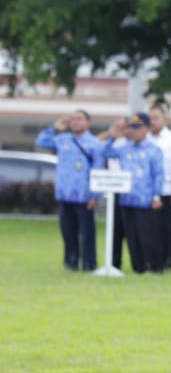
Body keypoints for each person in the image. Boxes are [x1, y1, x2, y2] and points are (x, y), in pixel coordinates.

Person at [35, 110, 104, 271]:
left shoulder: (95, 144)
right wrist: (56, 127)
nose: (75, 122)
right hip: (64, 194)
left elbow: (98, 170)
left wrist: (95, 195)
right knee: (68, 232)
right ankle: (70, 263)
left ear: (88, 122)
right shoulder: (62, 140)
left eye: (79, 119)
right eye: (73, 119)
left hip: (84, 195)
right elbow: (41, 141)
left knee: (87, 233)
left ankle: (89, 264)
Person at [104, 113, 167, 273]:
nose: (134, 131)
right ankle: (138, 266)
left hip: (146, 199)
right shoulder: (124, 148)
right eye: (131, 127)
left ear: (146, 128)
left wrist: (156, 196)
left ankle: (154, 266)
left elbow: (158, 175)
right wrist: (113, 135)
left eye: (137, 128)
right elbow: (105, 152)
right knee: (132, 236)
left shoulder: (154, 150)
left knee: (148, 236)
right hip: (127, 199)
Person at [146, 104, 171, 267]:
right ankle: (149, 258)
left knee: (164, 228)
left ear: (165, 119)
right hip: (146, 191)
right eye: (150, 119)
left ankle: (164, 259)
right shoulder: (145, 138)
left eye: (156, 118)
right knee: (147, 228)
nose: (152, 122)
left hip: (166, 189)